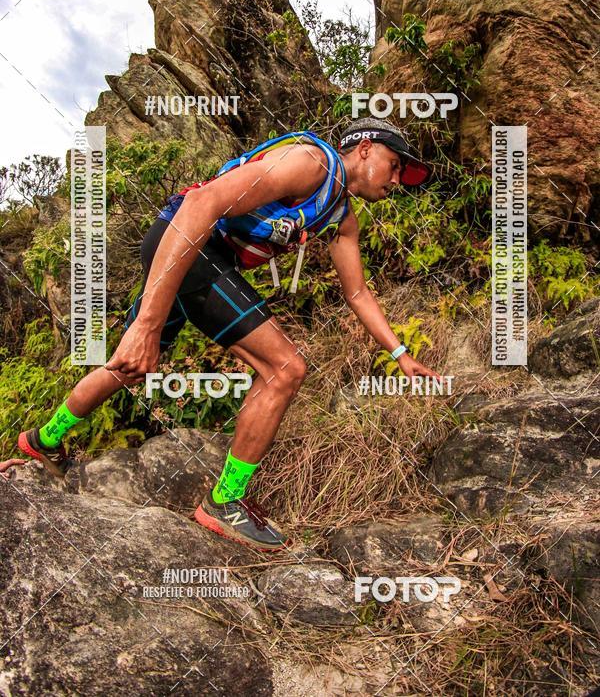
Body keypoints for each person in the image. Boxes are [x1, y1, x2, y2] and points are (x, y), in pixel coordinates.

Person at [18, 118, 441, 550]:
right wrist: (146, 323)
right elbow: (202, 202)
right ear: (366, 148)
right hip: (188, 245)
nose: (396, 180)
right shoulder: (313, 163)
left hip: (186, 256)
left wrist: (401, 353)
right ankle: (225, 501)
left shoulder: (341, 216)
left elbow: (357, 292)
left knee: (128, 367)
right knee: (285, 368)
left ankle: (41, 440)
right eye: (395, 165)